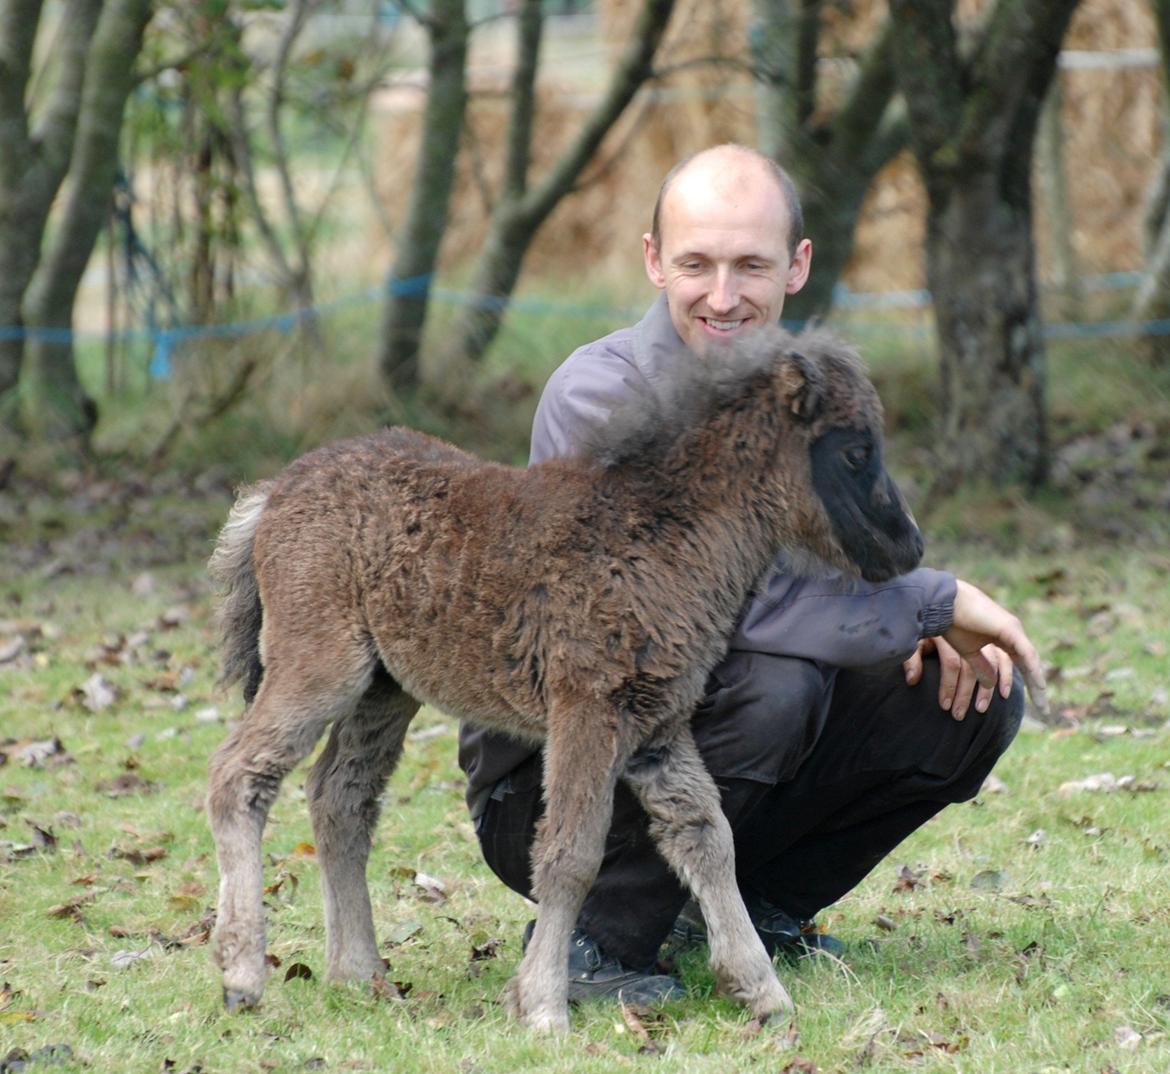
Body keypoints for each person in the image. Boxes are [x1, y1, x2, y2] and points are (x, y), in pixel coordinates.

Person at [457, 143, 1045, 1005]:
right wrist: (933, 602)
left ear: (798, 267)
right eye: (697, 263)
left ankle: (749, 908)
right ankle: (592, 940)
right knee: (776, 687)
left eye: (750, 265)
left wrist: (919, 630)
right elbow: (729, 611)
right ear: (655, 259)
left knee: (971, 697)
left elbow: (866, 553)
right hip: (552, 785)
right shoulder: (600, 394)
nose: (723, 296)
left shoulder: (807, 397)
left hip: (723, 740)